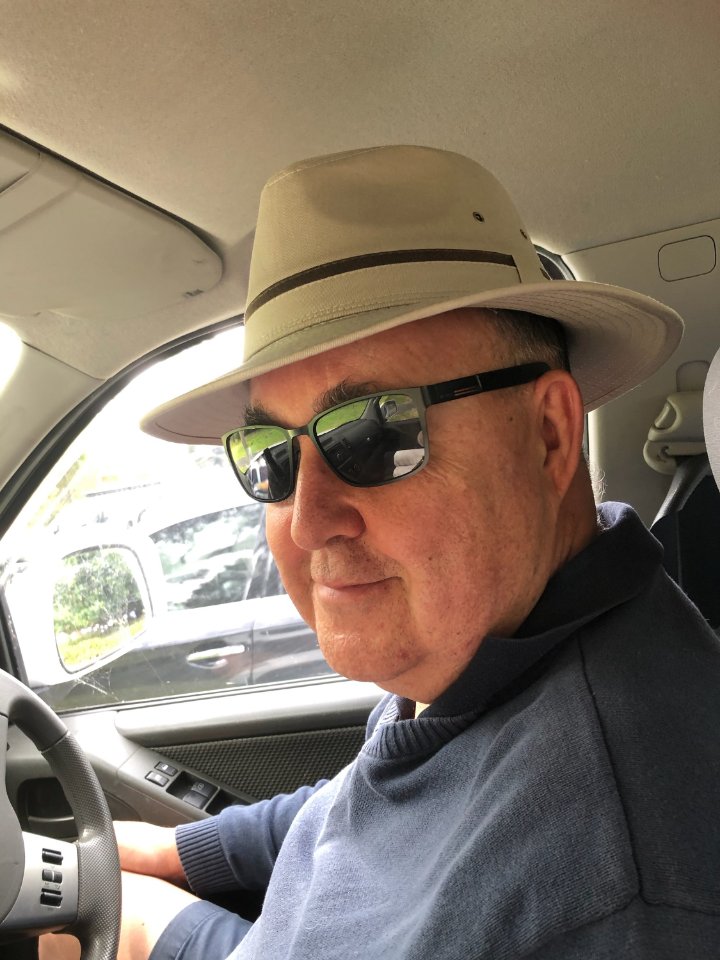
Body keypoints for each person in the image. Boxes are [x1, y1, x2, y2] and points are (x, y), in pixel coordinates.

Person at [43, 145, 720, 959]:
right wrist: (179, 852)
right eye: (271, 456)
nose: (307, 521)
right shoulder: (516, 633)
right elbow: (373, 795)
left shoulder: (613, 900)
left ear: (547, 434)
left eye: (373, 434)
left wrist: (149, 933)